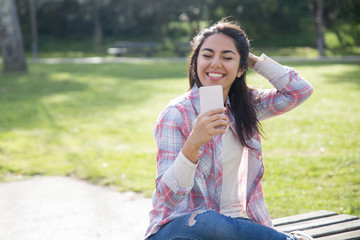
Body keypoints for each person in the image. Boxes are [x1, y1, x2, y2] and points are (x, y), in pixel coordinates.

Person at [145, 19, 314, 240]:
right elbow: (167, 197)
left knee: (225, 226)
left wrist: (250, 60)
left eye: (226, 57)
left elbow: (298, 91)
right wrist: (193, 144)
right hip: (181, 229)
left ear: (241, 68)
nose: (215, 63)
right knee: (207, 221)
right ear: (195, 62)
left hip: (235, 224)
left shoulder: (246, 107)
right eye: (206, 56)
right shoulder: (176, 113)